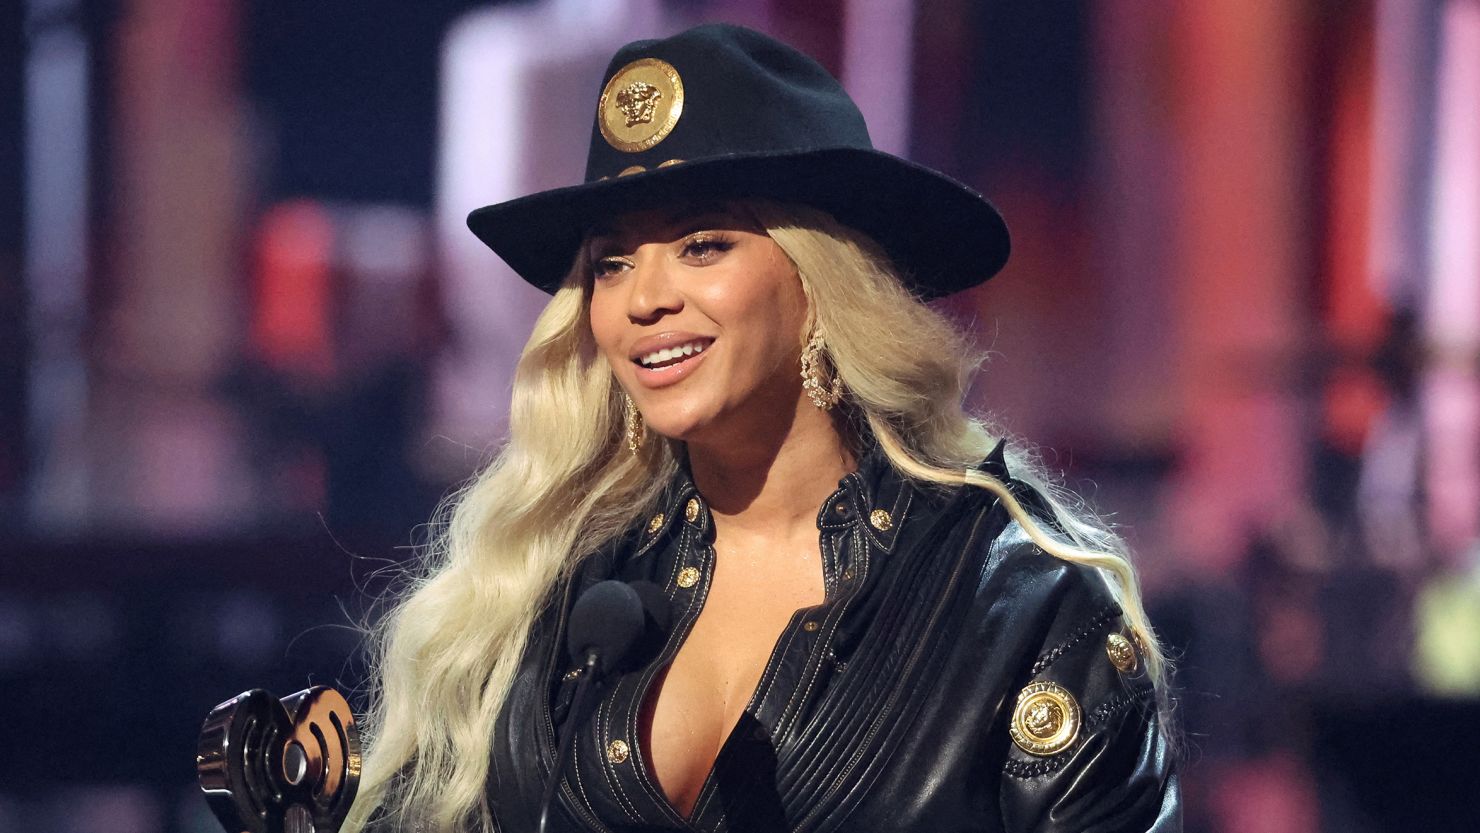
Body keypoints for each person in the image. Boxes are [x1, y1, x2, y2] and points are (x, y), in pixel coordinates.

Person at [345, 23, 1179, 833]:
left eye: (703, 245)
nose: (644, 299)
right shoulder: (548, 580)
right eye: (612, 262)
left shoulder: (1025, 603)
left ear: (820, 281)